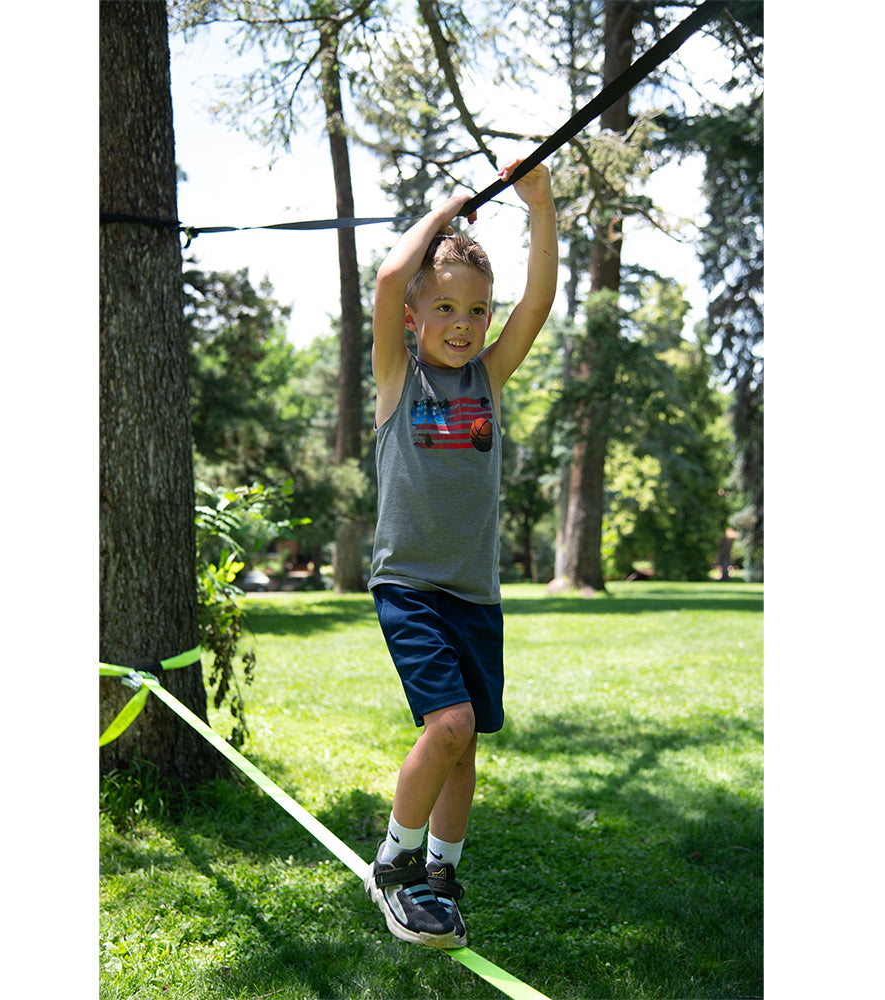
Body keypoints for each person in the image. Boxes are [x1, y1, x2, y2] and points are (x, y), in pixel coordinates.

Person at [363, 158, 558, 949]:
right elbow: (388, 278)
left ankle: (442, 872)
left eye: (476, 310)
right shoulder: (397, 379)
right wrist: (446, 209)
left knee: (465, 743)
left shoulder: (488, 378)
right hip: (410, 586)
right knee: (448, 725)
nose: (462, 323)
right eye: (443, 307)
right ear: (415, 318)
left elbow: (539, 300)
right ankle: (396, 863)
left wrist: (539, 205)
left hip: (475, 595)